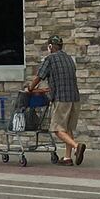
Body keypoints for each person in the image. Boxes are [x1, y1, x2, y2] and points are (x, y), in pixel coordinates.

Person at [30, 34, 85, 165]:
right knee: (68, 128)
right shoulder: (69, 59)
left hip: (62, 98)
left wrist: (30, 87)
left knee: (57, 129)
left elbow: (39, 76)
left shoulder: (50, 59)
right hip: (75, 98)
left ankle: (77, 146)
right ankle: (67, 158)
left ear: (50, 46)